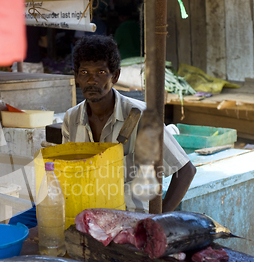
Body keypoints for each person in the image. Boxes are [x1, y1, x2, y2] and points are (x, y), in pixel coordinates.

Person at [62, 35, 196, 213]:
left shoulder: (141, 117)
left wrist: (160, 219)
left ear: (115, 76)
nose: (91, 80)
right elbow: (67, 174)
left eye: (100, 73)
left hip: (133, 225)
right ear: (77, 77)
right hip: (87, 220)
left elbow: (186, 170)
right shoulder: (71, 119)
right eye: (85, 73)